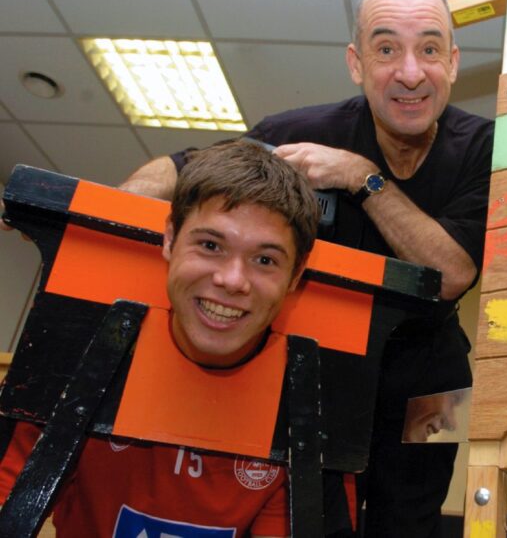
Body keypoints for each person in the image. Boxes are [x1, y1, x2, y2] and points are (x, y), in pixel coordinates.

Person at [120, 0, 493, 536]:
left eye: (431, 49)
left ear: (454, 63)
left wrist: (360, 177)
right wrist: (107, 217)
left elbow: (452, 275)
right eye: (386, 48)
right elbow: (183, 169)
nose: (411, 72)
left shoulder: (488, 147)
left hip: (435, 380)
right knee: (314, 517)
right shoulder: (300, 132)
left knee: (413, 522)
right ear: (356, 62)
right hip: (321, 368)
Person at [0, 140, 320, 537]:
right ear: (169, 240)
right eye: (210, 245)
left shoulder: (312, 411)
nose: (232, 280)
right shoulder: (74, 365)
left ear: (296, 276)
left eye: (265, 260)